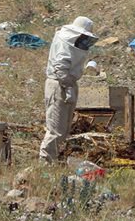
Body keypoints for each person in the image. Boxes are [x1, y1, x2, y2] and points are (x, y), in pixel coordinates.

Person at [39, 16, 99, 162]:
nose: (84, 42)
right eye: (83, 38)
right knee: (55, 129)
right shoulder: (64, 43)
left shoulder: (71, 44)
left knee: (63, 130)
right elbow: (60, 68)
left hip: (67, 84)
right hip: (59, 84)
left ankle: (53, 160)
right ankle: (45, 163)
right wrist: (67, 85)